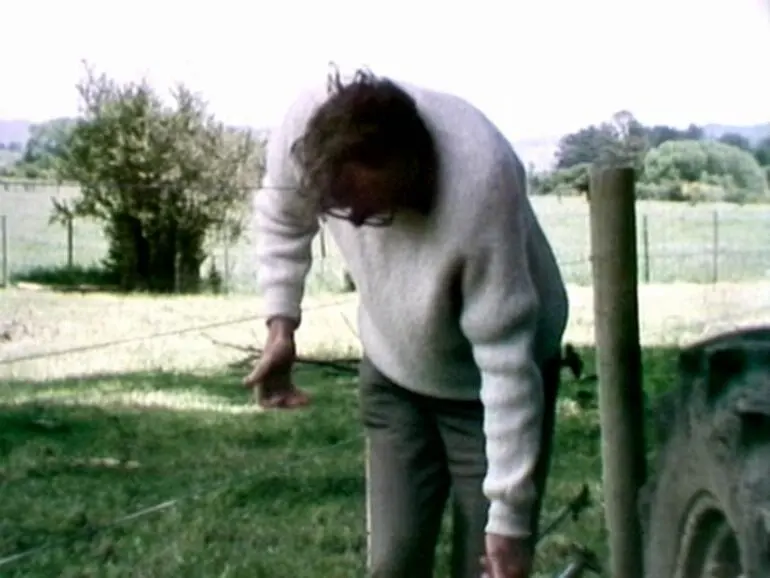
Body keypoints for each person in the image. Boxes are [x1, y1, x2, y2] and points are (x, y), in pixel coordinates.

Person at [244, 67, 569, 578]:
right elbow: (283, 220)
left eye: (367, 209)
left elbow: (507, 364)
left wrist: (509, 517)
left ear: (406, 164)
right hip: (396, 375)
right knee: (393, 565)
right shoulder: (304, 134)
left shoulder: (481, 180)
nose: (353, 223)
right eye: (340, 209)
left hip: (487, 391)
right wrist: (281, 328)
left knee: (486, 568)